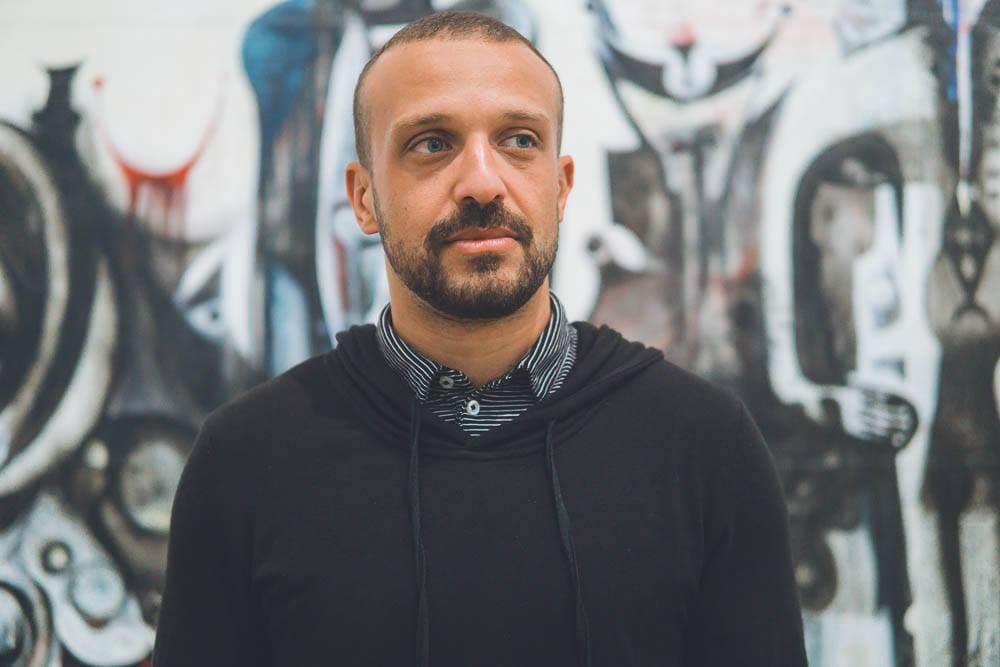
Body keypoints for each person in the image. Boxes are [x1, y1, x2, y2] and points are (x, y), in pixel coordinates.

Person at [152, 11, 806, 667]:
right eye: (431, 144)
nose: (483, 183)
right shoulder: (246, 461)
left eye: (519, 140)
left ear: (561, 187)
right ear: (364, 197)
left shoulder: (703, 445)